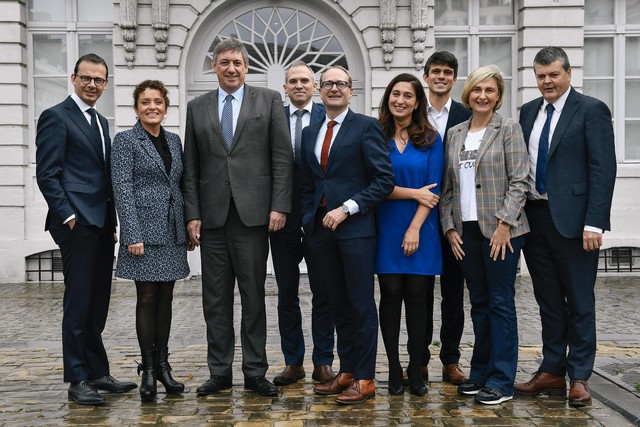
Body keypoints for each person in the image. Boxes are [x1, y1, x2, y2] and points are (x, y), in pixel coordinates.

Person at [182, 38, 293, 397]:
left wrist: (279, 205)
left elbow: (281, 157)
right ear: (214, 66)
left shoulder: (269, 100)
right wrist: (192, 213)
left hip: (254, 216)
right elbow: (191, 166)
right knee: (214, 299)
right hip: (212, 219)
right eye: (225, 62)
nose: (231, 68)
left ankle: (255, 371)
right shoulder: (196, 107)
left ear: (247, 68)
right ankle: (220, 372)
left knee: (253, 298)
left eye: (238, 63)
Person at [514, 46, 617, 407]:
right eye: (541, 76)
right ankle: (553, 369)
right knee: (547, 300)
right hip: (535, 218)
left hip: (575, 223)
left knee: (579, 300)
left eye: (553, 75)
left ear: (568, 74)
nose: (547, 82)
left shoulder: (590, 110)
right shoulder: (527, 112)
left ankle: (580, 376)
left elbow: (604, 168)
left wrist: (595, 223)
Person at [35, 53, 137, 405]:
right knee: (78, 303)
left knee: (97, 302)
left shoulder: (100, 121)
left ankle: (97, 372)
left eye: (99, 80)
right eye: (86, 78)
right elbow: (47, 173)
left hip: (101, 224)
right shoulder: (56, 117)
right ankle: (77, 378)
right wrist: (68, 216)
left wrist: (111, 221)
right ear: (73, 78)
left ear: (106, 84)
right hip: (76, 224)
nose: (92, 85)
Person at [299, 66, 395, 405]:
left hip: (355, 231)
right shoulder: (311, 132)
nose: (334, 89)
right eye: (328, 84)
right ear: (318, 91)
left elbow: (383, 181)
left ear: (351, 91)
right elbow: (310, 182)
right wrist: (307, 217)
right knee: (336, 304)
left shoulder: (366, 127)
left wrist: (348, 208)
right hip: (320, 235)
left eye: (341, 84)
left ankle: (366, 378)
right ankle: (348, 371)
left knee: (361, 305)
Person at [439, 65, 530, 405]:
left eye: (489, 90)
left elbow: (521, 180)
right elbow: (447, 187)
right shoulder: (456, 133)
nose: (482, 95)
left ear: (498, 95)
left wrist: (506, 223)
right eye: (477, 89)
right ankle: (480, 371)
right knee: (479, 303)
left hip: (501, 232)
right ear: (469, 93)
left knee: (501, 303)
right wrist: (449, 227)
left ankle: (503, 380)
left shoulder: (508, 128)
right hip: (466, 231)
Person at [111, 80, 192, 402]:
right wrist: (131, 232)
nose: (152, 107)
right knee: (146, 298)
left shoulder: (174, 141)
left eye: (157, 101)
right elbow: (122, 187)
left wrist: (187, 226)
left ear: (165, 106)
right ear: (136, 108)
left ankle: (163, 366)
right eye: (145, 102)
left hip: (171, 232)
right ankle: (147, 369)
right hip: (142, 233)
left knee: (167, 298)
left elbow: (181, 186)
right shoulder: (125, 140)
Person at [375, 73, 444, 397]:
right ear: (388, 97)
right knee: (389, 298)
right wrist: (413, 193)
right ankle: (391, 368)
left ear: (418, 102)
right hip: (386, 227)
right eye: (395, 94)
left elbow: (433, 190)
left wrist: (415, 227)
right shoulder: (375, 135)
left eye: (408, 95)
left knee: (418, 301)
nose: (400, 100)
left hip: (423, 230)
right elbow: (374, 186)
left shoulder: (431, 139)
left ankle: (416, 370)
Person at [270, 61, 336, 387]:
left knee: (323, 290)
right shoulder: (274, 119)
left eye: (305, 81)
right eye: (293, 81)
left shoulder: (329, 117)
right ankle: (292, 361)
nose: (299, 85)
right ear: (285, 87)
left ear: (314, 86)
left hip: (319, 216)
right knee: (287, 292)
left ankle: (323, 361)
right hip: (281, 215)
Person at [419, 51, 472, 385]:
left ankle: (450, 359)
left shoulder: (467, 114)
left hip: (457, 214)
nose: (441, 76)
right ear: (426, 76)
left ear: (454, 79)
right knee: (420, 291)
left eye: (447, 72)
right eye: (435, 71)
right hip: (420, 212)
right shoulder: (411, 112)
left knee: (454, 290)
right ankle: (419, 358)